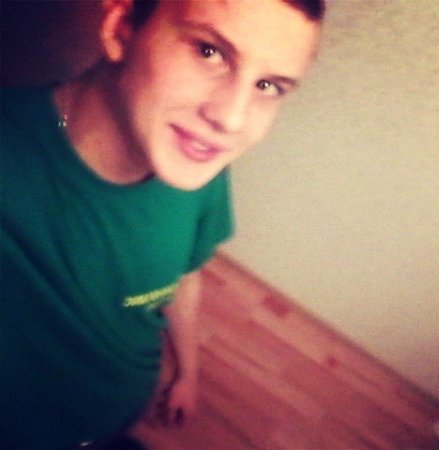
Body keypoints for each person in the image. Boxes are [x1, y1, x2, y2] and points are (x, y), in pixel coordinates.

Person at [0, 0, 324, 448]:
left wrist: (187, 374)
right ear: (121, 27)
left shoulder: (198, 167)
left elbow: (182, 278)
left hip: (114, 420)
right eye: (209, 51)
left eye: (268, 85)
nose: (230, 119)